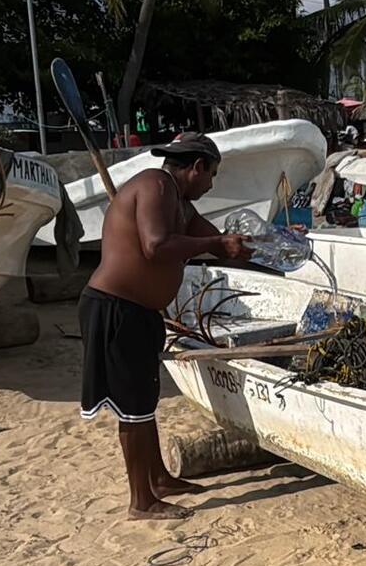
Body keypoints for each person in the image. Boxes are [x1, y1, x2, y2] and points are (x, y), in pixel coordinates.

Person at [78, 132, 251, 520]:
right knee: (132, 408)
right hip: (114, 309)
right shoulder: (156, 185)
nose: (212, 184)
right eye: (213, 175)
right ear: (197, 167)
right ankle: (142, 501)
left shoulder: (180, 202)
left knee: (144, 402)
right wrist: (214, 245)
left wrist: (248, 246)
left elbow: (216, 239)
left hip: (141, 313)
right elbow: (155, 246)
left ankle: (158, 478)